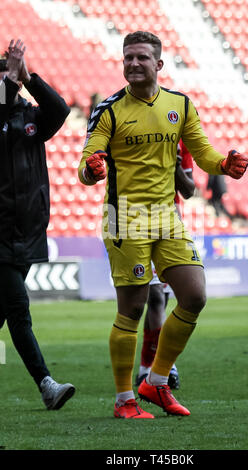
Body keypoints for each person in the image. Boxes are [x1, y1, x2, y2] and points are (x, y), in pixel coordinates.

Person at [78, 31, 248, 419]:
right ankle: (124, 400)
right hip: (126, 218)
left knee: (194, 295)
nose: (133, 64)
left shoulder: (179, 105)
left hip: (166, 216)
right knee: (133, 309)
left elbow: (202, 152)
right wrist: (91, 170)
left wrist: (224, 164)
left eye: (141, 58)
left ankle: (155, 384)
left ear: (158, 64)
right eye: (128, 58)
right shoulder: (108, 110)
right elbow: (87, 163)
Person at [0, 39, 75, 410]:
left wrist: (28, 78)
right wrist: (11, 80)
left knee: (3, 313)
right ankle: (46, 384)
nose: (9, 83)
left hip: (27, 235)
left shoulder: (31, 118)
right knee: (18, 309)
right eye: (5, 79)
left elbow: (60, 110)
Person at [135, 140, 195, 390]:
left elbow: (189, 190)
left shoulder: (182, 138)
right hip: (136, 219)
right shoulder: (139, 126)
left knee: (161, 300)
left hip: (170, 223)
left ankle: (146, 368)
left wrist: (175, 167)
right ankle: (164, 367)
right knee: (156, 298)